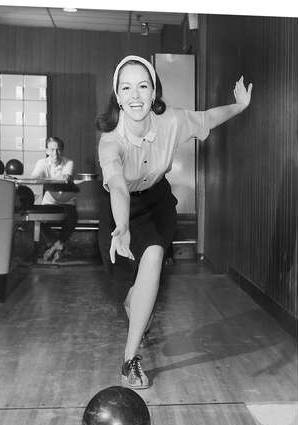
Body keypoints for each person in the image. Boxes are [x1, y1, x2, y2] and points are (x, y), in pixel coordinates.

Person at [96, 55, 253, 389]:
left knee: (152, 256)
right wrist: (121, 226)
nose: (135, 95)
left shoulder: (171, 121)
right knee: (131, 294)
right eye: (127, 88)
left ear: (154, 92)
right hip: (119, 210)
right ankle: (136, 304)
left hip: (157, 203)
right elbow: (119, 186)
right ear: (118, 96)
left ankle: (129, 360)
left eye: (143, 86)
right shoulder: (111, 140)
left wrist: (239, 106)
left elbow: (208, 117)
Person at [32, 136, 86, 262]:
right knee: (38, 219)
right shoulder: (42, 163)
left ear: (62, 150)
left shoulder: (68, 162)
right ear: (46, 151)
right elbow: (35, 177)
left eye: (58, 150)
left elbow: (66, 176)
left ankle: (54, 246)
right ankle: (57, 245)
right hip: (49, 201)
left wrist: (63, 178)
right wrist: (42, 174)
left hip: (67, 200)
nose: (55, 153)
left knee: (72, 217)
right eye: (52, 150)